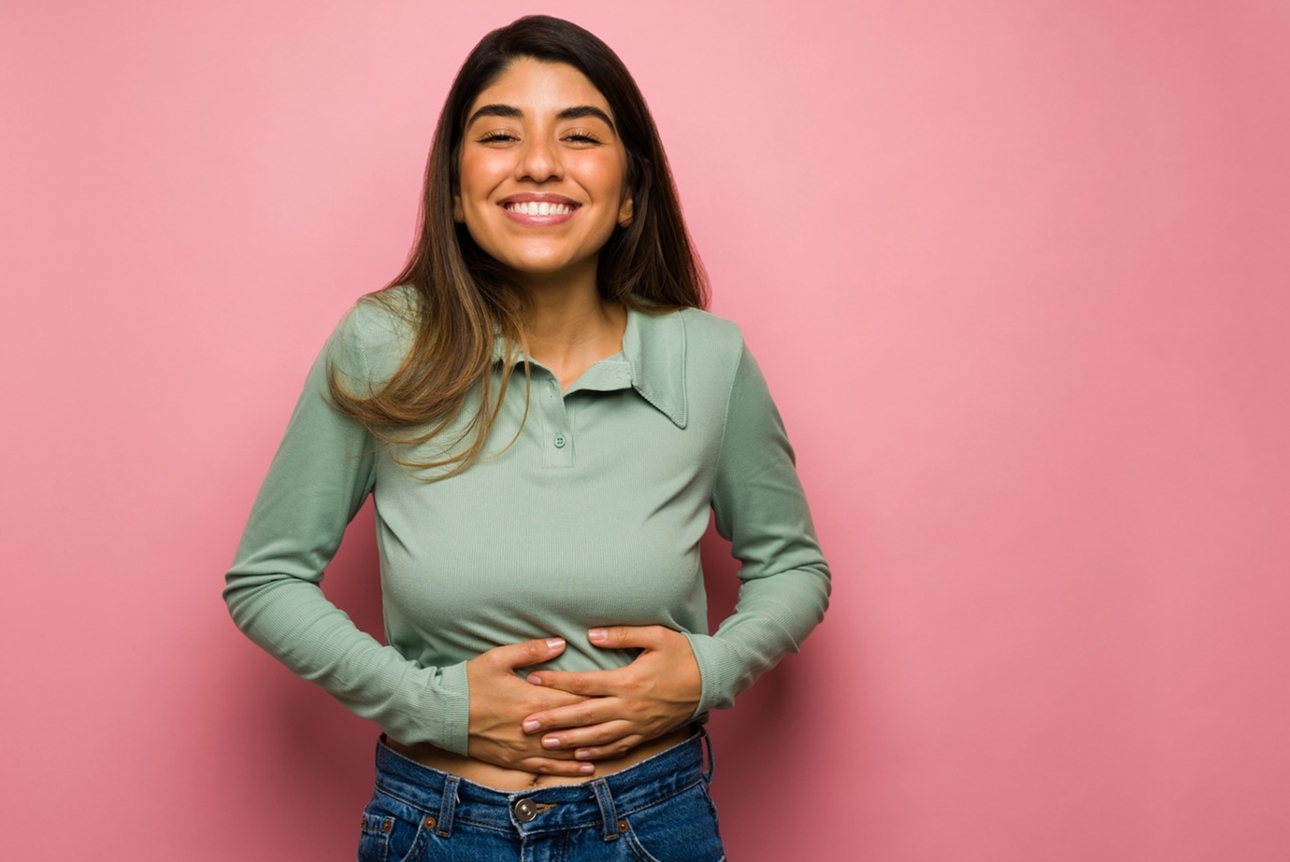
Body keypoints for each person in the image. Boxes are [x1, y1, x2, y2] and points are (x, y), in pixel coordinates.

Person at [224, 14, 830, 861]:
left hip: (652, 823)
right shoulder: (382, 344)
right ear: (457, 190)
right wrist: (439, 707)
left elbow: (793, 566)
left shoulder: (709, 357)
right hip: (436, 827)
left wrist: (708, 670)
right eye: (500, 134)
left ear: (628, 194)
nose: (538, 162)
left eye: (578, 136)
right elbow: (266, 580)